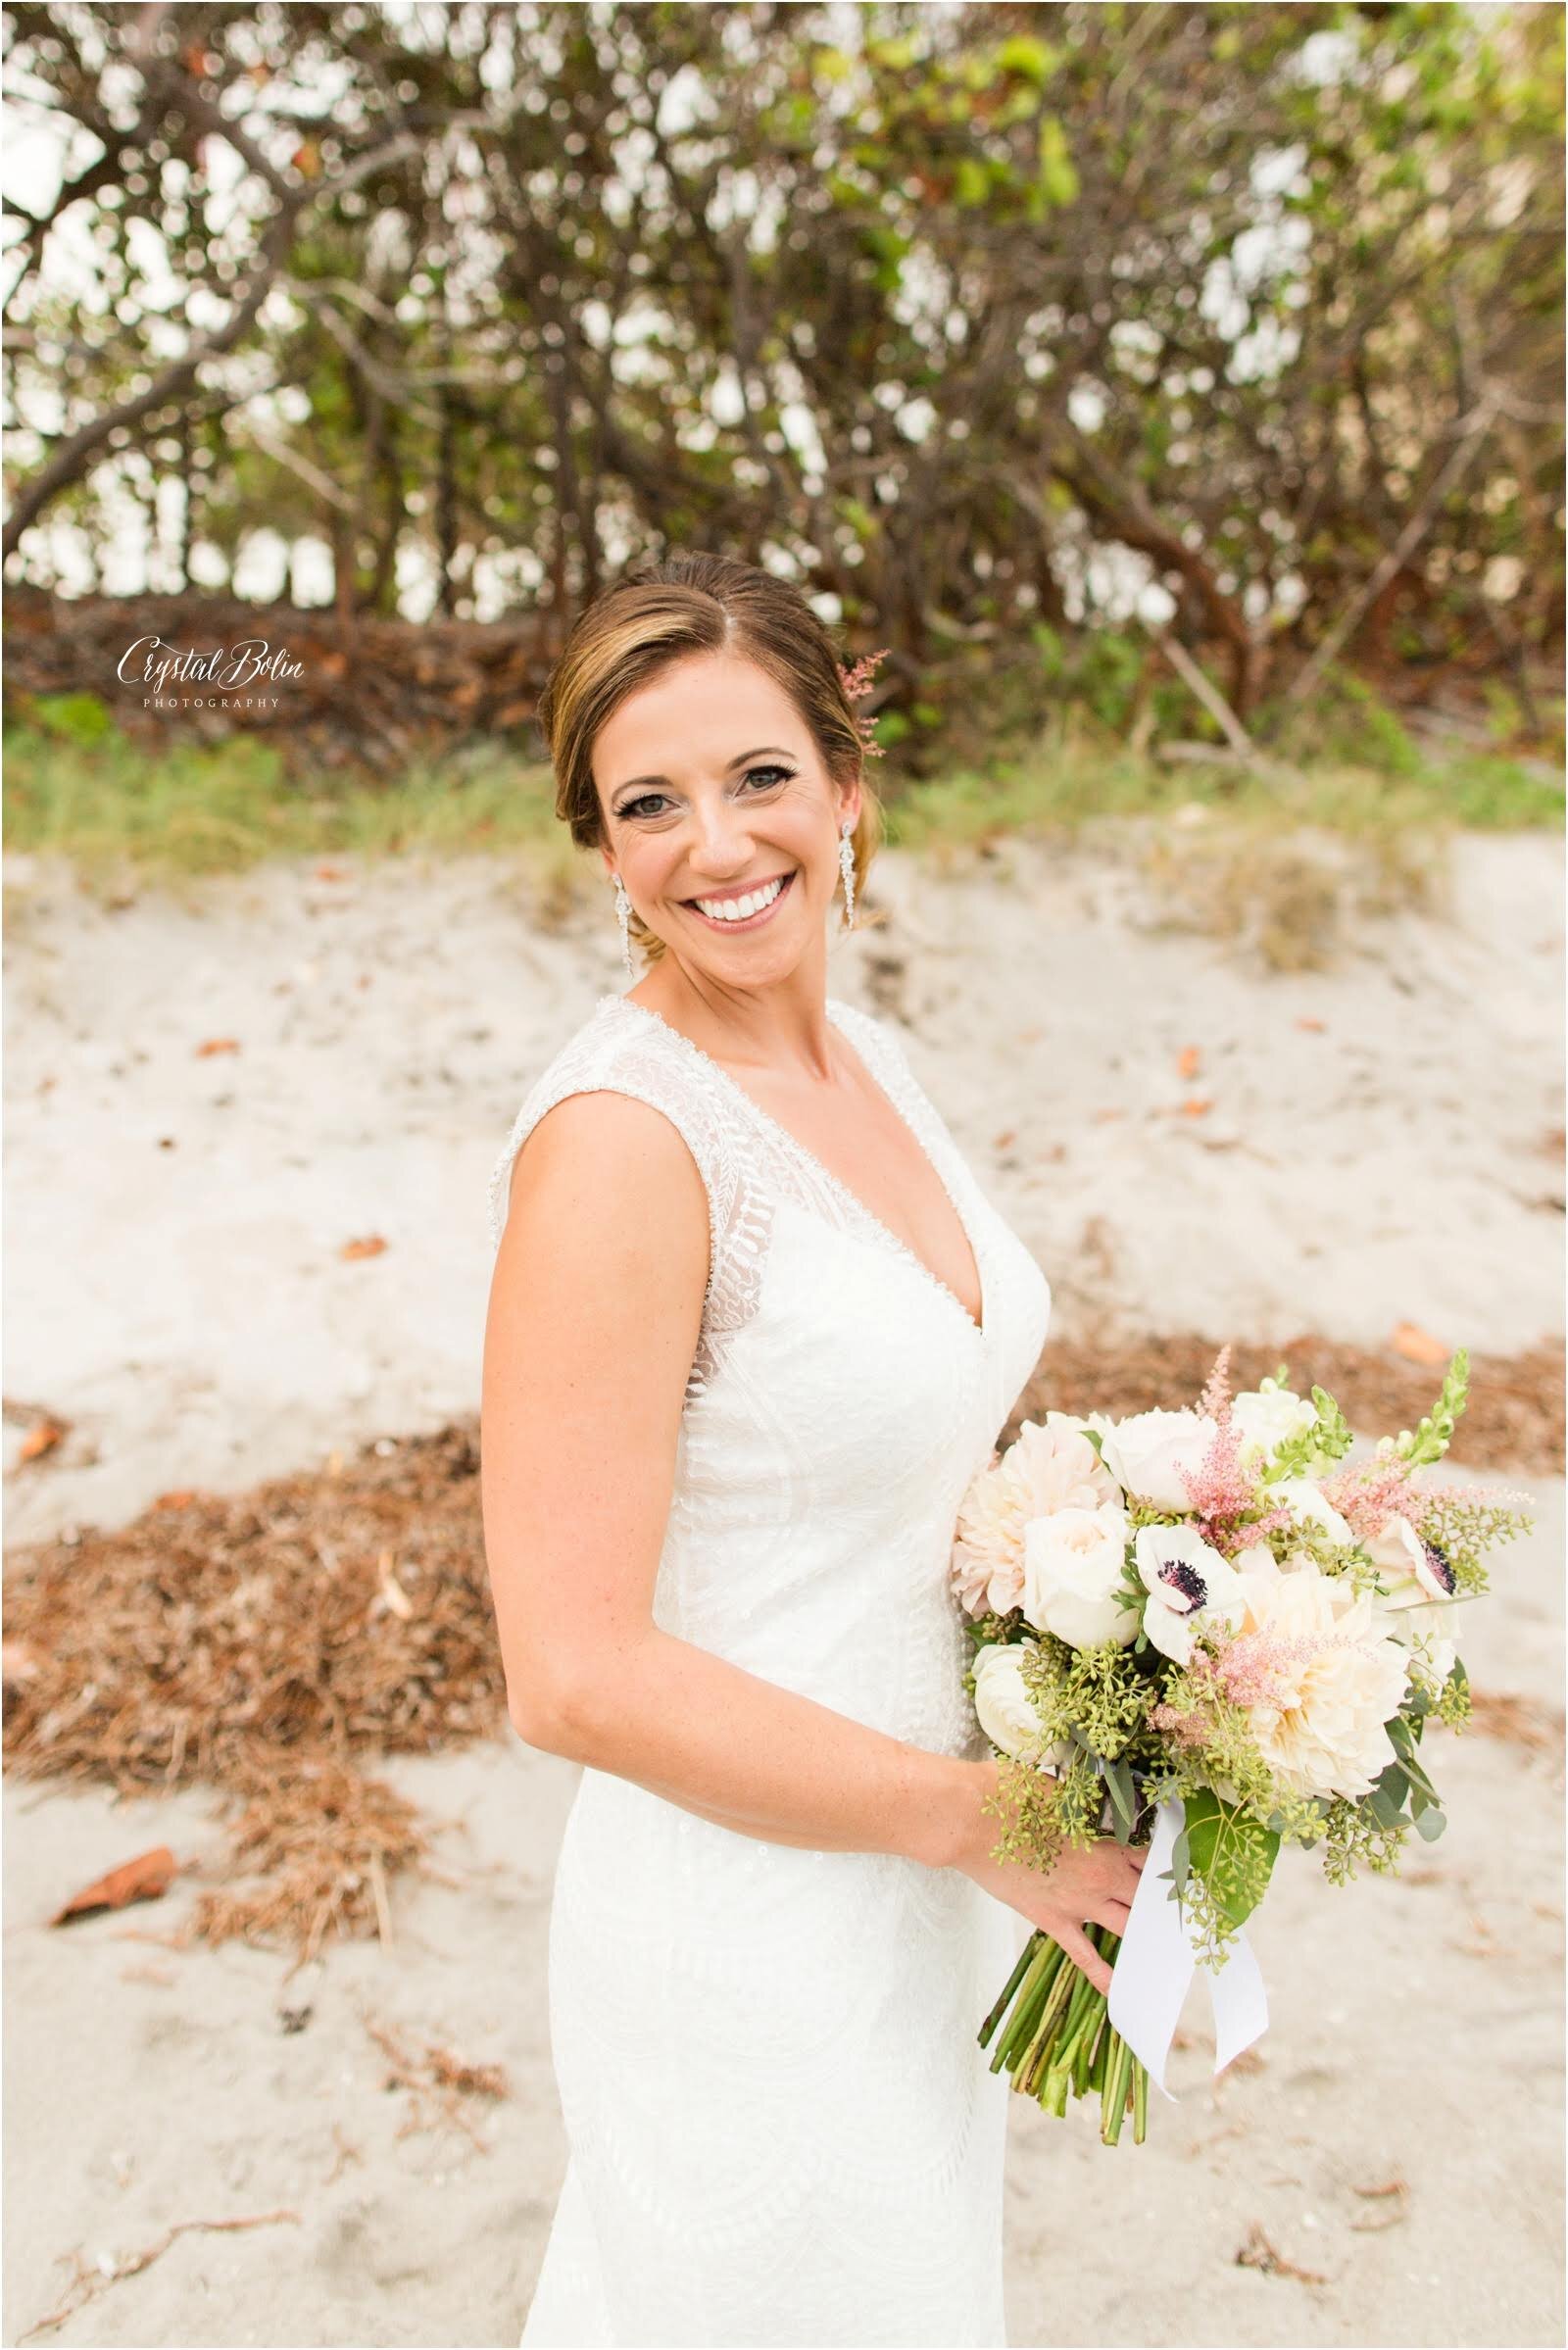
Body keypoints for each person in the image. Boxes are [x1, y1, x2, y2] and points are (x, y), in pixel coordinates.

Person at [480, 553, 1144, 2350]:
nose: (718, 843)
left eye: (760, 776)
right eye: (650, 804)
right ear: (604, 853)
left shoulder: (874, 1062)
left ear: (851, 786)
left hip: (916, 1898)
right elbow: (570, 1673)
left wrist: (1139, 1624)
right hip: (749, 1917)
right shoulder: (623, 1145)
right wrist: (975, 1817)